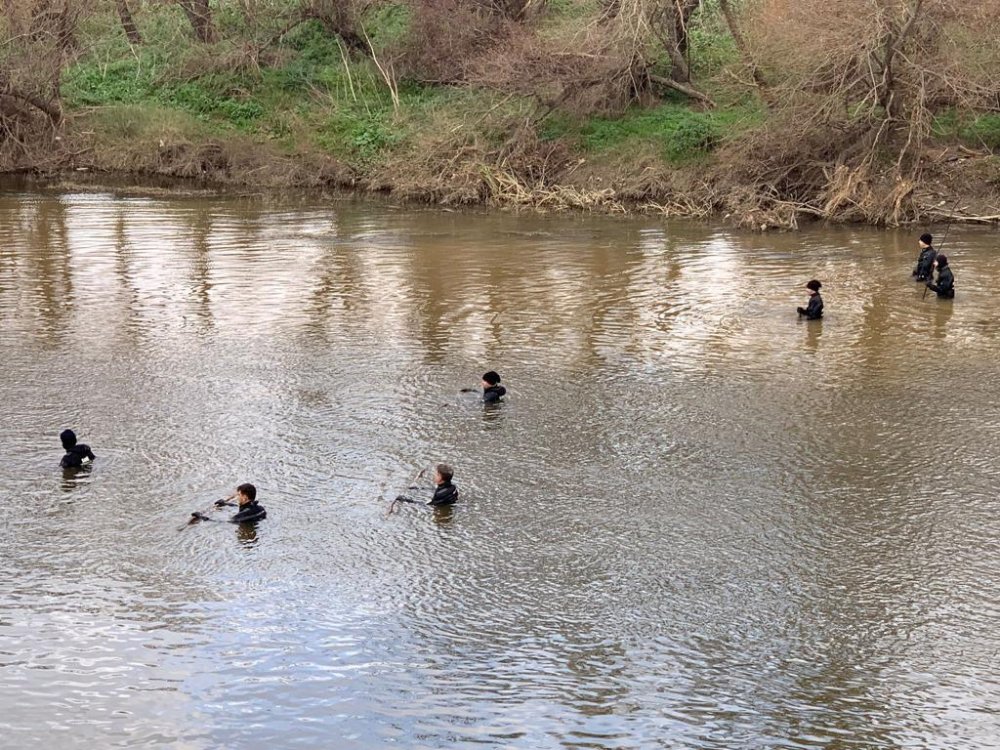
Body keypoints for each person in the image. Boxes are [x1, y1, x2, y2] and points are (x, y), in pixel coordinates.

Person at [394, 464, 459, 507]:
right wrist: (417, 488)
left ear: (440, 478)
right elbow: (434, 488)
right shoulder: (452, 486)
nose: (434, 475)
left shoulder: (439, 494)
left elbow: (428, 504)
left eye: (436, 474)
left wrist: (405, 499)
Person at [201, 483, 267, 523]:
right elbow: (245, 508)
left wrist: (201, 517)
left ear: (245, 497)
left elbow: (222, 522)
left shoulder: (240, 516)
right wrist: (225, 503)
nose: (237, 497)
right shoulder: (260, 508)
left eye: (239, 495)